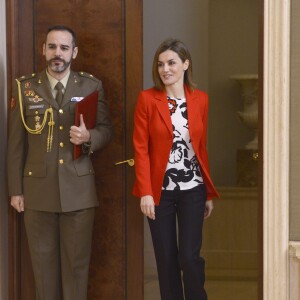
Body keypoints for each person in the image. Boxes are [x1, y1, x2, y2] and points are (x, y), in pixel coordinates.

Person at [7, 25, 113, 300]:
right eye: (52, 46)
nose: (58, 53)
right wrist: (15, 189)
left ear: (74, 52)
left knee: (77, 268)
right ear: (43, 50)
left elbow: (106, 130)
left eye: (64, 48)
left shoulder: (91, 85)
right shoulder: (25, 88)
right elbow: (15, 144)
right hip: (37, 192)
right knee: (43, 268)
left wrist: (89, 137)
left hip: (78, 192)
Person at [132, 38, 219, 300]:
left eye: (171, 62)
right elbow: (141, 148)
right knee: (166, 259)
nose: (165, 69)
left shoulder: (200, 99)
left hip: (193, 188)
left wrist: (208, 193)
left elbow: (200, 148)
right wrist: (146, 192)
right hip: (160, 193)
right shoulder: (147, 99)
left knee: (189, 258)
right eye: (160, 64)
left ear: (185, 64)